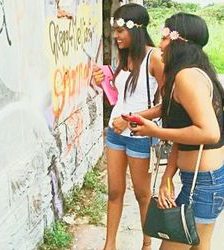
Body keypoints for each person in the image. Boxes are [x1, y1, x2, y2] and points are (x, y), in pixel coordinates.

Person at [129, 12, 224, 250]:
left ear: (178, 40)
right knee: (200, 245)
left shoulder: (187, 76)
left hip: (205, 183)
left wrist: (156, 132)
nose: (160, 45)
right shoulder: (187, 74)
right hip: (201, 179)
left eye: (164, 36)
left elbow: (209, 133)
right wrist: (167, 176)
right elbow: (184, 131)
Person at [93, 3, 164, 250]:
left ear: (137, 28)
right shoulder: (125, 57)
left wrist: (130, 118)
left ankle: (147, 244)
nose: (116, 36)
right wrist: (102, 83)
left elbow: (166, 105)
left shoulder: (154, 57)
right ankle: (109, 244)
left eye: (121, 30)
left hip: (139, 135)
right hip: (116, 134)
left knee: (142, 195)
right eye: (114, 30)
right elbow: (119, 97)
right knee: (114, 192)